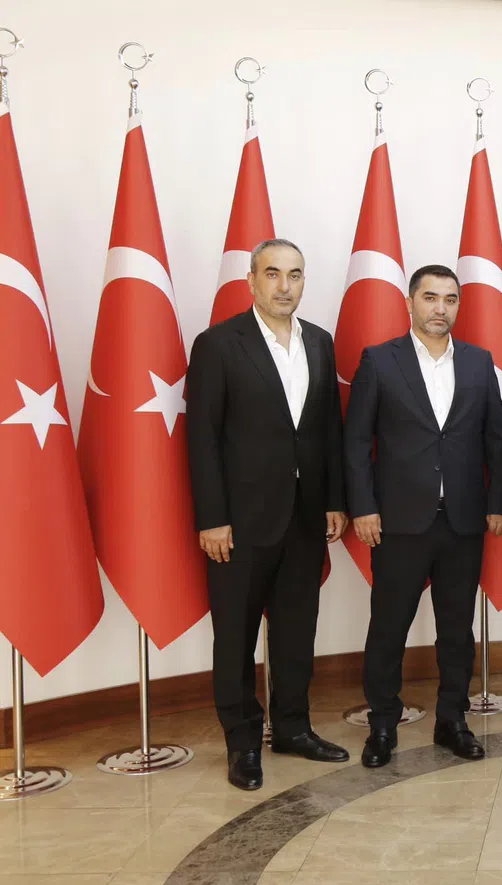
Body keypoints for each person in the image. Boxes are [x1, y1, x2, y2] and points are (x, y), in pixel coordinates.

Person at [187, 238, 349, 791]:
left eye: (295, 274)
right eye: (273, 273)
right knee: (234, 635)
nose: (285, 286)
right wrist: (212, 517)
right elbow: (202, 437)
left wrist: (334, 499)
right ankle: (242, 742)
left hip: (305, 517)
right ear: (252, 281)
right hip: (239, 522)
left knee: (296, 631)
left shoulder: (320, 342)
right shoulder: (218, 344)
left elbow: (328, 431)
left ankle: (293, 728)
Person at [344, 264, 502, 768]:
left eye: (450, 299)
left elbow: (495, 438)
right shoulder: (380, 360)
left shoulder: (479, 362)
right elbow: (356, 442)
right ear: (410, 303)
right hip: (398, 521)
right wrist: (363, 507)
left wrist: (499, 502)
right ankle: (382, 724)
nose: (440, 308)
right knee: (388, 626)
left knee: (456, 630)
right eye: (430, 298)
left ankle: (452, 720)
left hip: (462, 520)